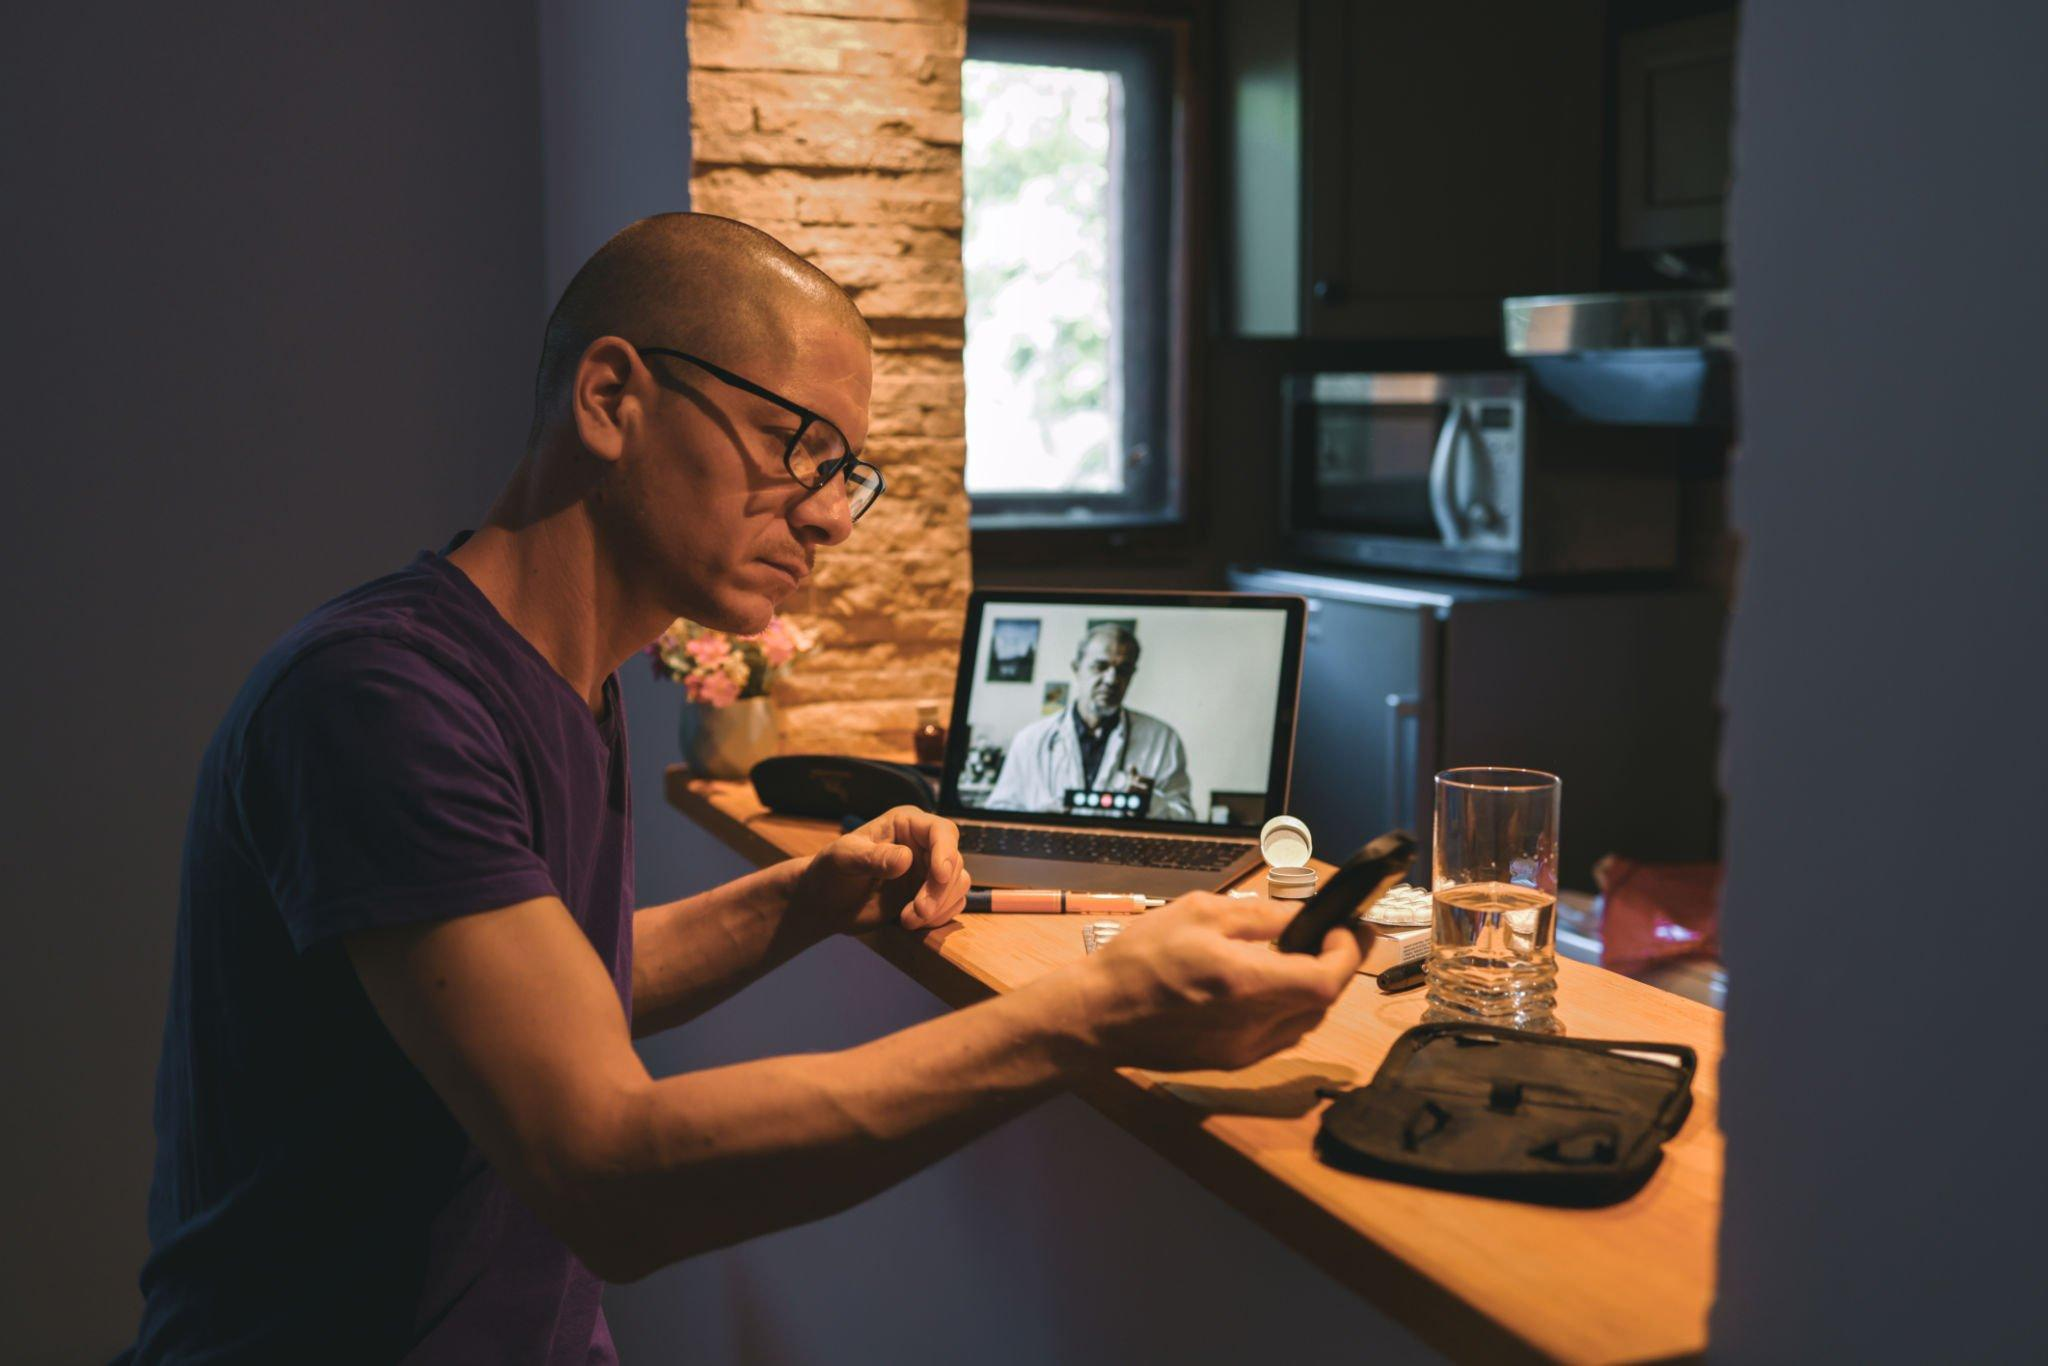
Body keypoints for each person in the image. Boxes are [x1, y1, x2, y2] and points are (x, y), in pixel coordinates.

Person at [120, 213, 1363, 1365]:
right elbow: (607, 1168)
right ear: (612, 398)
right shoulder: (380, 699)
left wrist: (808, 894)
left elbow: (554, 983)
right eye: (798, 448)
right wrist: (1096, 1011)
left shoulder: (572, 682)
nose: (829, 517)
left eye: (846, 472)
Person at [985, 623, 1197, 819]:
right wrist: (1037, 819)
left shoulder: (1162, 740)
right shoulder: (1030, 740)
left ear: (1133, 674)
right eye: (1100, 666)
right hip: (1045, 854)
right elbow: (997, 812)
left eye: (1123, 670)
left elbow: (1185, 818)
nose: (1112, 679)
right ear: (1077, 668)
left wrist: (1152, 804)